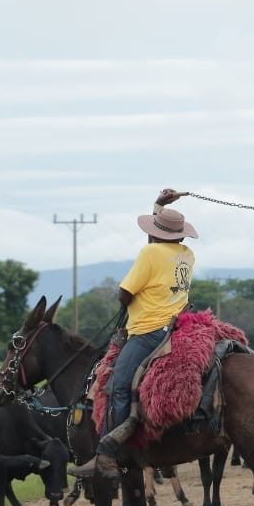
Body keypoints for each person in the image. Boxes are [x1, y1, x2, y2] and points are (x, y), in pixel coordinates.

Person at [71, 189, 197, 479]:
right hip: (173, 325)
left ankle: (108, 454)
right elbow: (159, 242)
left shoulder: (150, 252)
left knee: (116, 386)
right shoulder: (186, 254)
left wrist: (127, 295)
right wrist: (159, 207)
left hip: (147, 330)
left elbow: (124, 293)